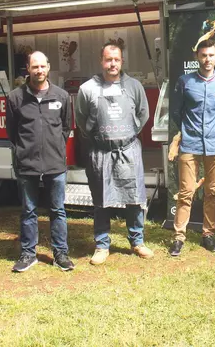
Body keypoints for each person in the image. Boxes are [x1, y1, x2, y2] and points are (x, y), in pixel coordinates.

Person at [75, 42, 153, 263]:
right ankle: (102, 245)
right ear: (101, 61)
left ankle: (137, 241)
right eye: (108, 59)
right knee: (101, 200)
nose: (112, 64)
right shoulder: (88, 88)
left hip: (128, 151)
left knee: (135, 198)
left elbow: (143, 113)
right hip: (101, 153)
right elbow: (81, 118)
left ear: (122, 61)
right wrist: (101, 137)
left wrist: (127, 134)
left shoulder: (134, 86)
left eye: (116, 59)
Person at [6, 51, 74, 272]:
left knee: (58, 210)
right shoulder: (15, 97)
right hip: (27, 164)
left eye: (42, 66)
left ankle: (61, 254)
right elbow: (12, 131)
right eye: (35, 67)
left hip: (55, 163)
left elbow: (66, 127)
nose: (39, 71)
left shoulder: (62, 96)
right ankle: (28, 254)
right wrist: (25, 150)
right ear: (28, 68)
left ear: (48, 67)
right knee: (28, 210)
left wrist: (53, 147)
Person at [169, 39, 215, 256]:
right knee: (186, 192)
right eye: (203, 55)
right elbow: (176, 111)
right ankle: (179, 237)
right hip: (190, 145)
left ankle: (208, 234)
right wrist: (188, 131)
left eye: (211, 55)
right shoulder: (185, 81)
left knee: (212, 192)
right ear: (197, 56)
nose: (207, 59)